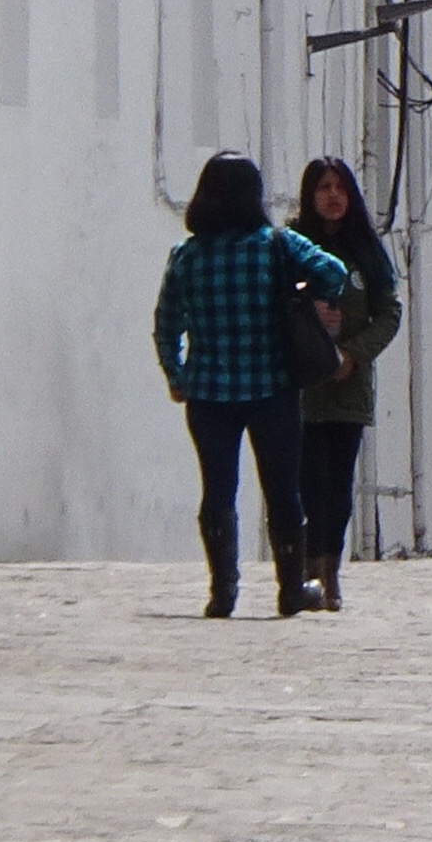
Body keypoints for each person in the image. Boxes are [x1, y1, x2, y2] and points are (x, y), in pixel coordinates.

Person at [153, 150, 352, 619]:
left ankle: (223, 589)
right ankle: (290, 588)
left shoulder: (187, 256)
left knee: (217, 489)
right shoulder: (275, 245)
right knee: (282, 490)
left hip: (208, 392)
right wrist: (298, 290)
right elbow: (335, 273)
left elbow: (166, 324)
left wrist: (176, 375)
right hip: (271, 387)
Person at [288, 158, 401, 615]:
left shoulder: (365, 251)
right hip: (302, 388)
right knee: (307, 482)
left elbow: (388, 312)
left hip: (348, 386)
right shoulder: (293, 246)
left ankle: (329, 569)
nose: (333, 196)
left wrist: (353, 354)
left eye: (340, 187)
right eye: (323, 188)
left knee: (338, 484)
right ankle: (305, 567)